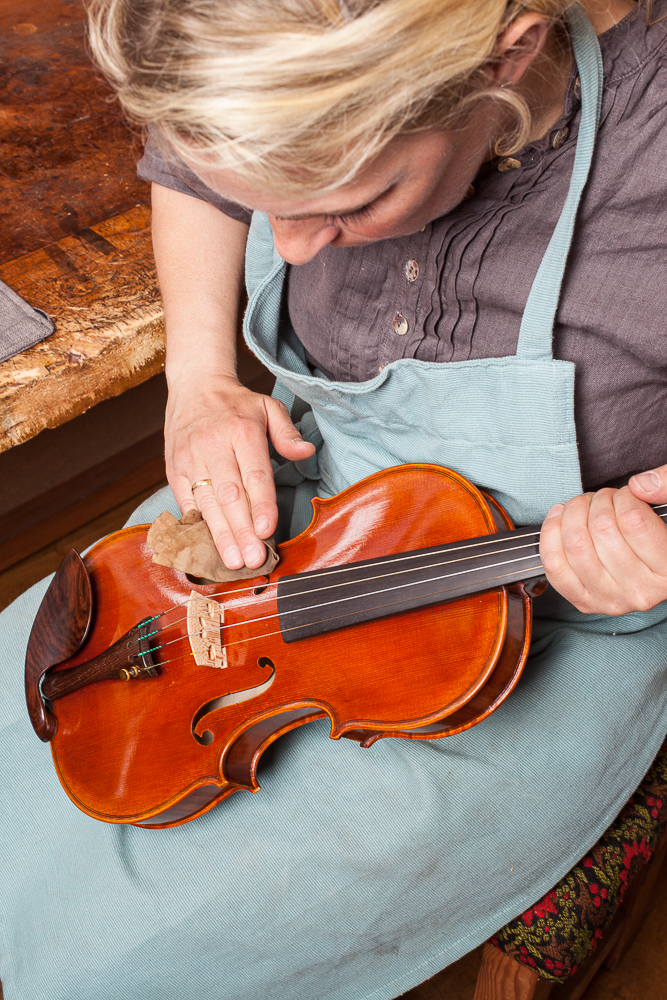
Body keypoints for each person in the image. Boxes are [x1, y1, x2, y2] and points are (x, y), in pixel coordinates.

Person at [1, 1, 667, 998]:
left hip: (540, 624)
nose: (299, 248)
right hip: (295, 532)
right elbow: (191, 161)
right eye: (271, 202)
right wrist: (197, 382)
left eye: (345, 200)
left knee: (96, 960)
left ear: (508, 54)